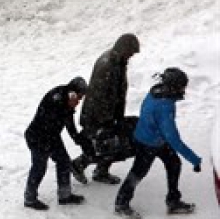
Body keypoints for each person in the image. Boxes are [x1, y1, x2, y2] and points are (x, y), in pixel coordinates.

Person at [114, 68, 201, 218]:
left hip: (155, 138)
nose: (184, 89)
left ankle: (173, 201)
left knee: (174, 163)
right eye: (182, 86)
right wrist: (194, 159)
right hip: (148, 142)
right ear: (173, 86)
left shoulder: (157, 92)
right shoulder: (164, 107)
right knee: (138, 172)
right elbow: (174, 139)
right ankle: (121, 203)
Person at [72, 33, 141, 185]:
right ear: (124, 48)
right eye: (130, 52)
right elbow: (101, 97)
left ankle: (98, 170)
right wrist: (108, 121)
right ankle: (80, 165)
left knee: (110, 144)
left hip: (105, 114)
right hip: (98, 116)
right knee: (108, 145)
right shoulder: (109, 65)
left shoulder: (117, 61)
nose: (131, 56)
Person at [23, 77, 89, 211]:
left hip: (51, 137)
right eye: (79, 98)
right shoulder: (56, 99)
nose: (79, 101)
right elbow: (48, 122)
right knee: (39, 168)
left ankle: (65, 195)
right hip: (37, 137)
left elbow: (69, 124)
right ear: (73, 94)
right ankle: (29, 199)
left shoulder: (67, 102)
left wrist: (79, 140)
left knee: (64, 162)